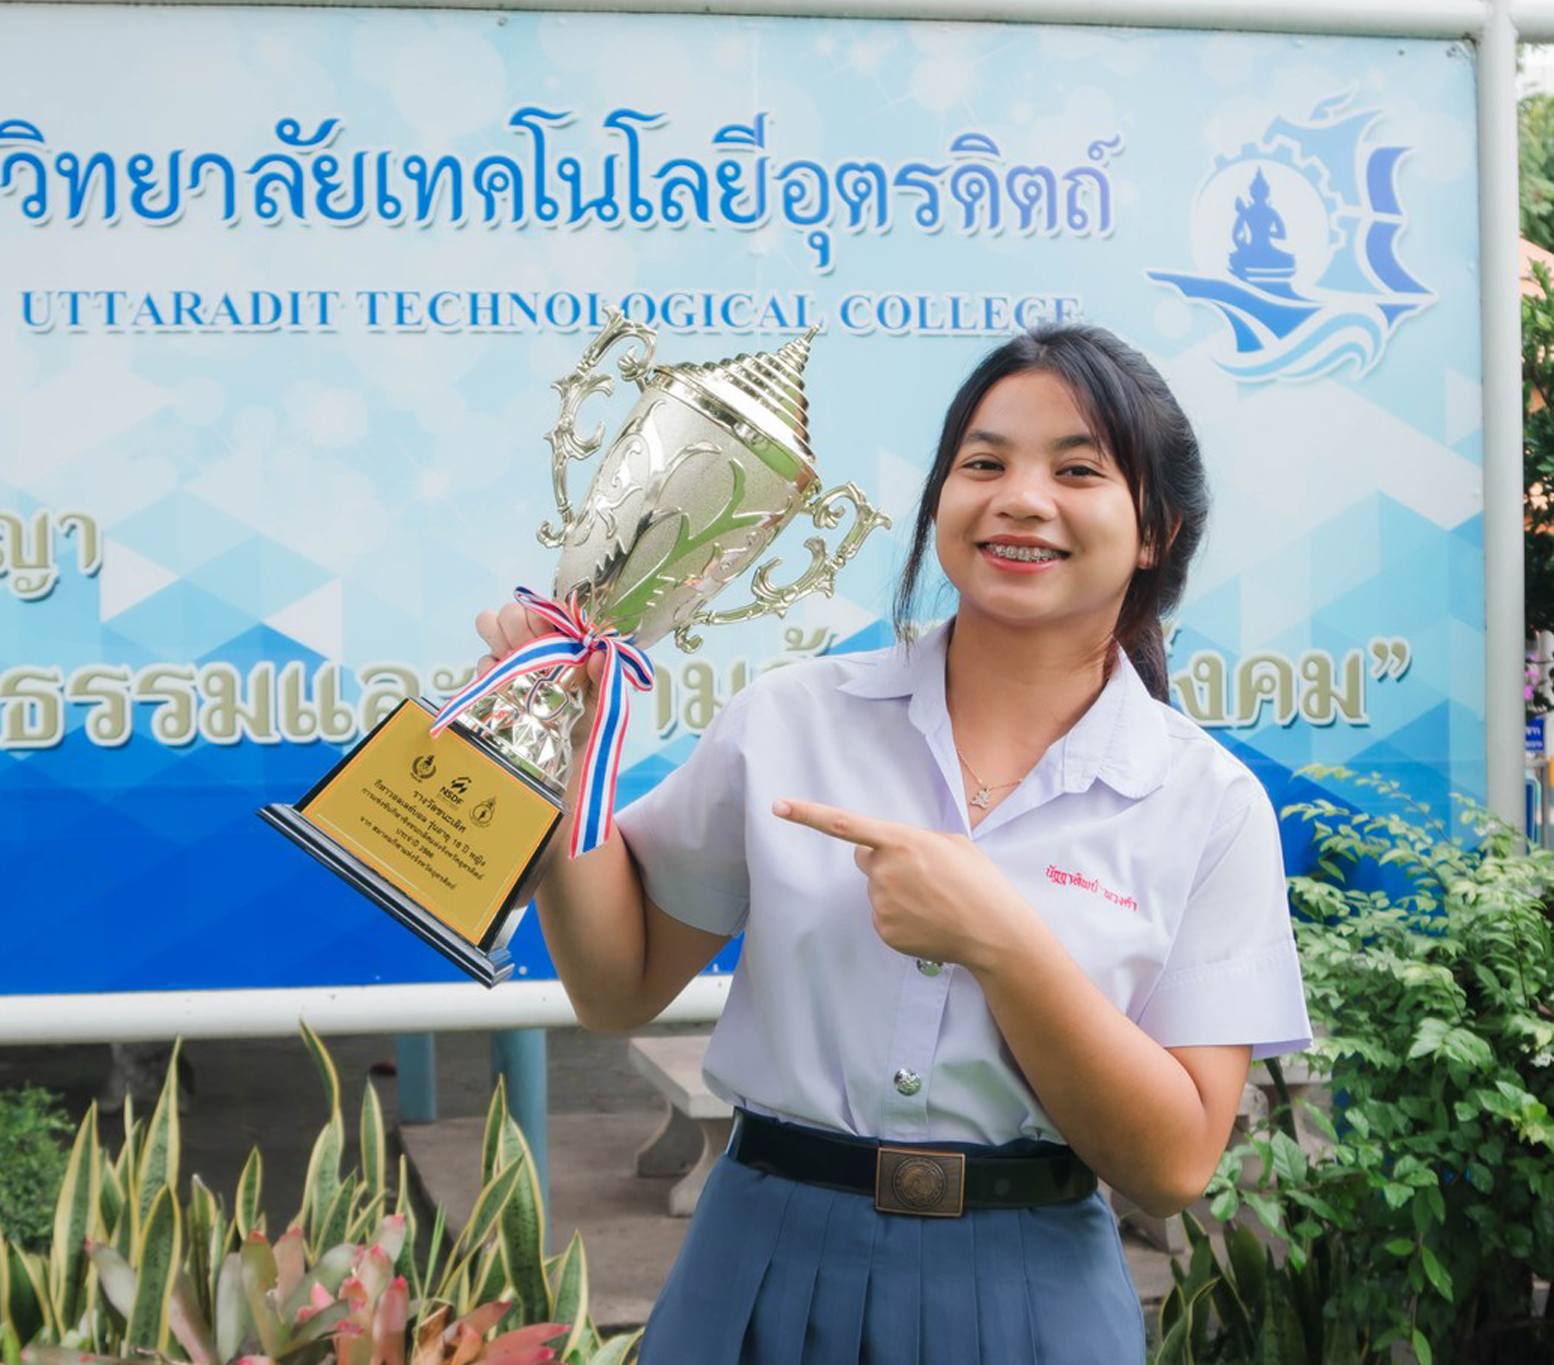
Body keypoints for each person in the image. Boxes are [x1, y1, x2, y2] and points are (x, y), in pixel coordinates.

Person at [472, 323, 1312, 1364]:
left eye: (1077, 470)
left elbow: (1174, 1164)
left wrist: (1001, 942)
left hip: (1030, 1292)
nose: (1018, 497)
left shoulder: (1207, 804)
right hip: (757, 1264)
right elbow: (617, 988)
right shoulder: (789, 720)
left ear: (1155, 531)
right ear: (938, 501)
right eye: (982, 462)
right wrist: (563, 753)